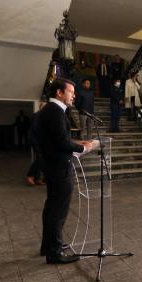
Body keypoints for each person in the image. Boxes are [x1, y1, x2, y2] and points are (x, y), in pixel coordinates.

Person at [38, 78, 94, 264]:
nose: (74, 95)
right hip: (59, 168)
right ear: (59, 93)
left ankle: (50, 245)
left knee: (52, 208)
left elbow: (58, 139)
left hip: (54, 166)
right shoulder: (55, 111)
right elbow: (61, 142)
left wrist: (77, 143)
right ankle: (54, 253)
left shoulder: (51, 110)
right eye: (70, 91)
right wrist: (84, 148)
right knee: (58, 211)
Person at [26, 102, 47, 185]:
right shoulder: (37, 115)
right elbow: (37, 129)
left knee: (42, 159)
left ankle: (37, 178)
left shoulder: (43, 116)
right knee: (40, 158)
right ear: (41, 108)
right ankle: (30, 175)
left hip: (41, 141)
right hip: (36, 140)